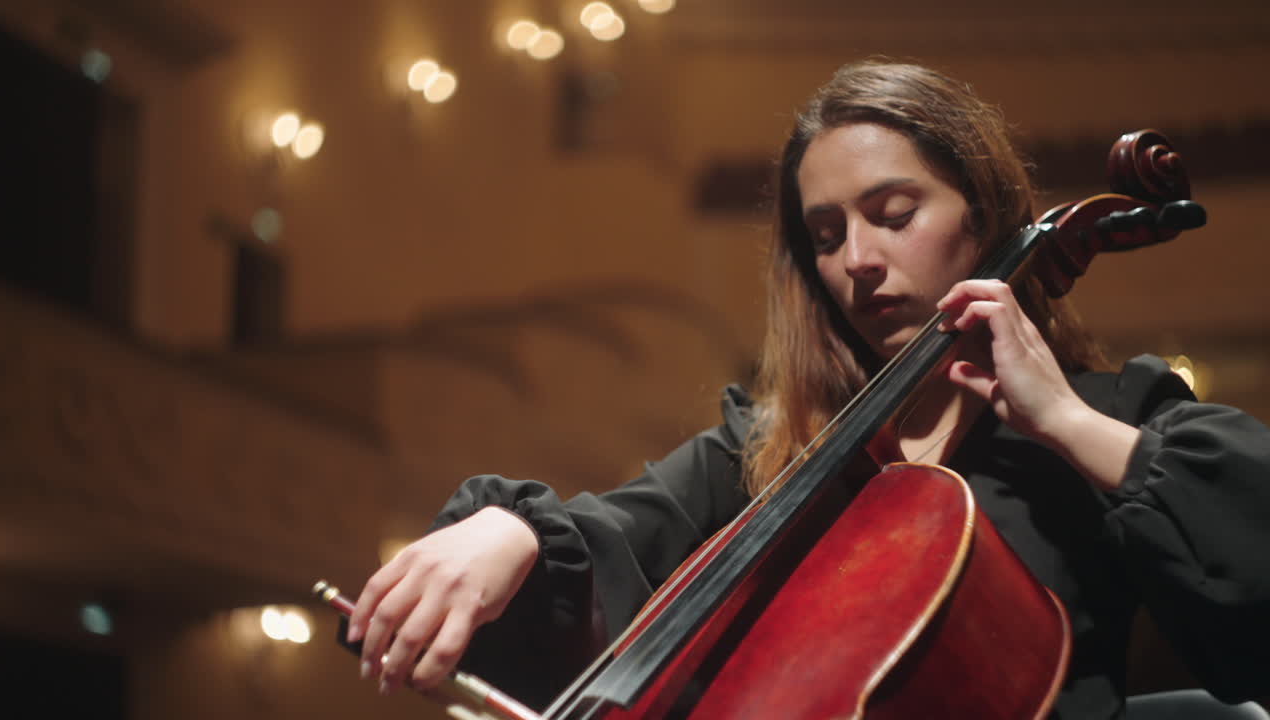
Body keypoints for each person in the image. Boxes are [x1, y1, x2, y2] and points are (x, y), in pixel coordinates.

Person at [345, 61, 1270, 718]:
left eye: (894, 214)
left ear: (984, 217)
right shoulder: (774, 451)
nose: (858, 259)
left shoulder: (1111, 418)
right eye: (826, 237)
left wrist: (1063, 419)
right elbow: (618, 533)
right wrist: (505, 532)